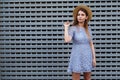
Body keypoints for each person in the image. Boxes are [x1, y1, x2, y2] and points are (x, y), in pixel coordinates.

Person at [64, 4, 96, 80]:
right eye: (78, 15)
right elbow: (67, 40)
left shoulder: (89, 29)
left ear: (86, 17)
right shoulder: (73, 28)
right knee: (76, 77)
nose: (80, 16)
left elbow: (91, 44)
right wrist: (66, 28)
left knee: (88, 77)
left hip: (87, 55)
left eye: (82, 15)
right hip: (76, 56)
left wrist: (94, 58)